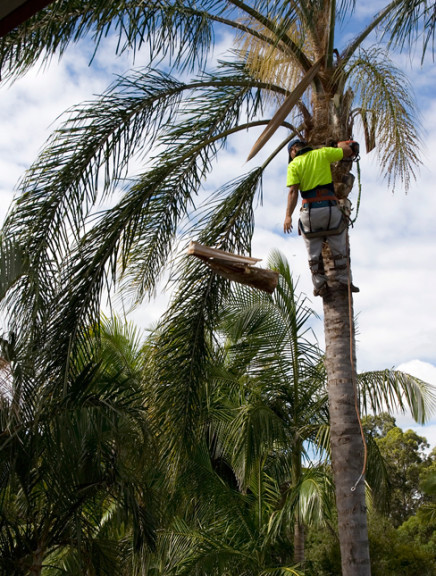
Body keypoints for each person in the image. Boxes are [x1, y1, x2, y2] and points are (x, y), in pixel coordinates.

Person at [283, 138, 359, 297]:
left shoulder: (294, 165)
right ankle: (345, 281)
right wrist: (340, 144)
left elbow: (293, 192)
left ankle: (320, 285)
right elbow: (349, 149)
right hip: (330, 210)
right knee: (339, 245)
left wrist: (288, 216)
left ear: (293, 151)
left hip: (310, 213)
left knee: (313, 253)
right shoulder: (322, 153)